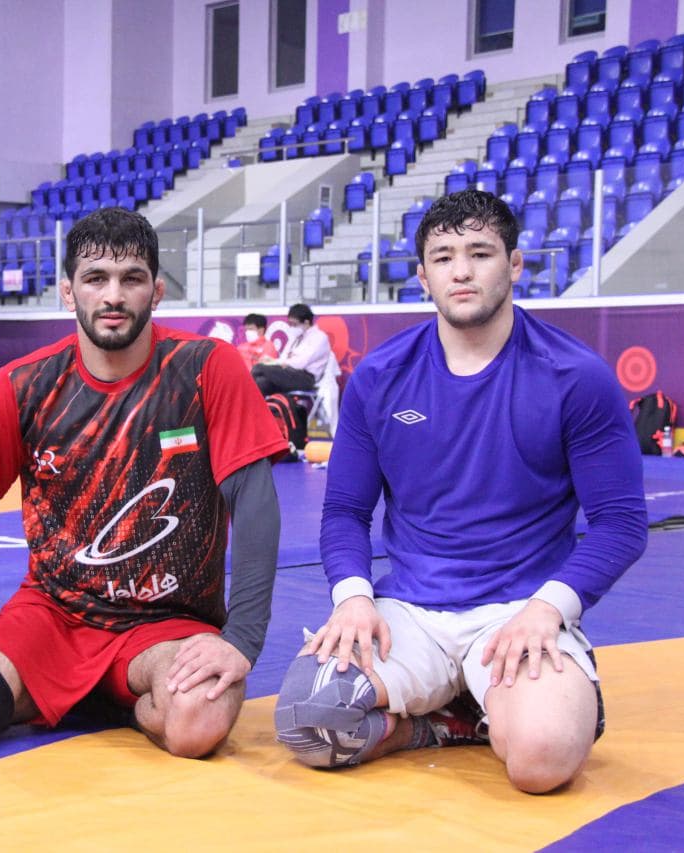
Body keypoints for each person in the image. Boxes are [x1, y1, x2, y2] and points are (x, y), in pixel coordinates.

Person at [0, 207, 286, 759]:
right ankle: (64, 689)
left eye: (131, 278)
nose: (113, 296)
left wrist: (241, 641)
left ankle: (90, 695)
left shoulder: (207, 368)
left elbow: (254, 502)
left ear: (157, 291)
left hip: (168, 625)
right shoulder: (22, 386)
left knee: (196, 723)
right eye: (95, 278)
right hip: (54, 616)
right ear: (68, 292)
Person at [275, 189, 648, 794]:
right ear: (424, 277)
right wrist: (353, 597)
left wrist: (549, 610)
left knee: (542, 761)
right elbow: (344, 510)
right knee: (308, 723)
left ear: (515, 264)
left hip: (518, 608)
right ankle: (447, 723)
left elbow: (621, 523)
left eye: (480, 253)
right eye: (444, 257)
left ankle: (538, 701)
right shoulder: (381, 377)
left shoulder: (575, 377)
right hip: (411, 611)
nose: (463, 271)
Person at [249, 303, 331, 395]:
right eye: (290, 324)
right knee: (262, 382)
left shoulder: (319, 337)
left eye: (294, 324)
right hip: (289, 373)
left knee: (258, 368)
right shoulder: (296, 337)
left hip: (306, 378)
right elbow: (284, 357)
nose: (292, 327)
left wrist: (276, 362)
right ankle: (255, 404)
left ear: (306, 322)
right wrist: (272, 361)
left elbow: (300, 363)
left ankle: (244, 399)